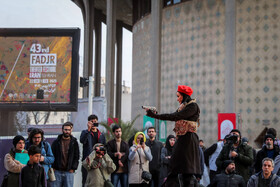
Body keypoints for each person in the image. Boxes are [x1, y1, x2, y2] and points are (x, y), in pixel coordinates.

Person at [145, 85, 201, 186]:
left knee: (187, 172)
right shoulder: (183, 107)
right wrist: (156, 115)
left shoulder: (193, 106)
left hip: (189, 140)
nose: (177, 99)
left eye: (178, 96)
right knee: (175, 168)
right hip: (182, 139)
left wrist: (155, 116)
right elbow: (173, 115)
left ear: (184, 96)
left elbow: (175, 116)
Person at [80, 114, 106, 187]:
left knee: (98, 181)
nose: (94, 123)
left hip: (98, 161)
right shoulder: (85, 132)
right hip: (88, 160)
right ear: (89, 122)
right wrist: (88, 130)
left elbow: (104, 147)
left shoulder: (101, 134)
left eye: (95, 121)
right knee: (86, 181)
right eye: (92, 122)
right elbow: (82, 140)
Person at [51, 122, 80, 187]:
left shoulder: (74, 142)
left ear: (71, 130)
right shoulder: (56, 142)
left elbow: (76, 156)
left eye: (69, 130)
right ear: (62, 130)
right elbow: (52, 154)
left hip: (69, 172)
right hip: (57, 171)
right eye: (65, 129)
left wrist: (73, 168)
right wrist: (53, 167)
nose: (67, 131)